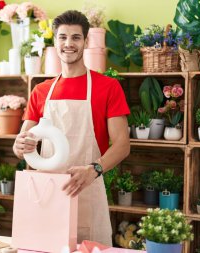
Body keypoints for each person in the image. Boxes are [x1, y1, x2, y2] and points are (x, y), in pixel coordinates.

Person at [12, 10, 130, 245]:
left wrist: (94, 169)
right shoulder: (41, 91)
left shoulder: (107, 87)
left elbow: (122, 145)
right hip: (47, 196)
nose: (69, 43)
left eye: (76, 37)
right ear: (55, 42)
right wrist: (18, 144)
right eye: (63, 37)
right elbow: (23, 144)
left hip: (88, 189)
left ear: (86, 41)